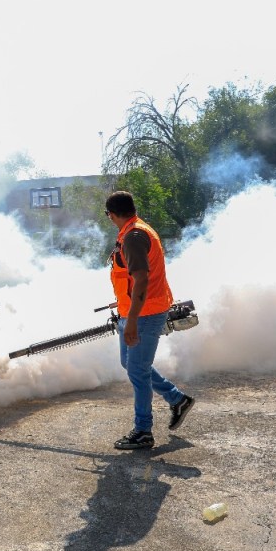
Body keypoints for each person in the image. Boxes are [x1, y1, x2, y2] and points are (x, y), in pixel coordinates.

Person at [104, 191, 194, 450]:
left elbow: (142, 279)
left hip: (144, 314)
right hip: (137, 309)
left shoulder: (133, 237)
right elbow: (132, 279)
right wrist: (123, 303)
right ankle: (177, 399)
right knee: (130, 363)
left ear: (112, 214)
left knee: (137, 371)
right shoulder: (135, 230)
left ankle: (143, 430)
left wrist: (131, 320)